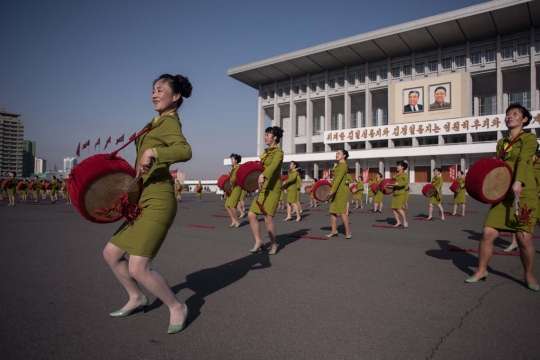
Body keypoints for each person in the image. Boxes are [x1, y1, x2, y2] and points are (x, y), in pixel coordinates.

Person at [103, 73, 193, 334]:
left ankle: (177, 306)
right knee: (111, 254)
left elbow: (185, 151)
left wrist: (154, 152)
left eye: (161, 90)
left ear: (175, 97)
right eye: (153, 89)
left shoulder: (169, 123)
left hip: (159, 200)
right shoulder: (154, 123)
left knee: (138, 266)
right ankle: (136, 297)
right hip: (143, 199)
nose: (154, 94)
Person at [467, 104, 538, 291]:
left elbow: (523, 160)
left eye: (515, 114)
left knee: (524, 239)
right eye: (508, 114)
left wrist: (519, 181)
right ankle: (482, 270)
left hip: (524, 193)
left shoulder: (529, 138)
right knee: (487, 233)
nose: (510, 117)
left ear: (524, 120)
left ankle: (528, 274)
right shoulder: (501, 143)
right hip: (503, 193)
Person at [248, 126, 284, 255]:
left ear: (275, 138)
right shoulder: (265, 153)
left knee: (267, 217)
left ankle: (273, 244)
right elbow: (259, 167)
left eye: (268, 135)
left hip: (273, 188)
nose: (265, 137)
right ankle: (258, 241)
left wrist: (264, 175)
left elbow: (274, 166)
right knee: (251, 215)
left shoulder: (278, 153)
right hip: (263, 187)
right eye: (265, 135)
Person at [326, 149, 352, 238]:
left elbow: (339, 179)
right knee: (332, 211)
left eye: (339, 153)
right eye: (336, 153)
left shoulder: (343, 165)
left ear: (344, 155)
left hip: (341, 191)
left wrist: (332, 190)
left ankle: (348, 231)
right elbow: (335, 179)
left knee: (342, 212)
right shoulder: (338, 165)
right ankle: (334, 230)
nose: (336, 155)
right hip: (336, 190)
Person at [225, 153, 243, 228]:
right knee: (226, 206)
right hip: (231, 188)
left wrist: (229, 182)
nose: (231, 160)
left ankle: (237, 221)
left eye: (232, 159)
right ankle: (233, 220)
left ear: (236, 160)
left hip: (237, 188)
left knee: (232, 206)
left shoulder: (238, 168)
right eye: (231, 159)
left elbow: (234, 178)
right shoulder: (232, 169)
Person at [391, 161, 409, 228]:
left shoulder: (404, 174)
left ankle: (405, 221)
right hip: (395, 192)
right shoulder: (395, 174)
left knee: (399, 208)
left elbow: (406, 182)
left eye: (399, 165)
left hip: (401, 193)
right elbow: (392, 181)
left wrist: (398, 183)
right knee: (393, 208)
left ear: (402, 167)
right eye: (397, 165)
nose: (397, 167)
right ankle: (398, 221)